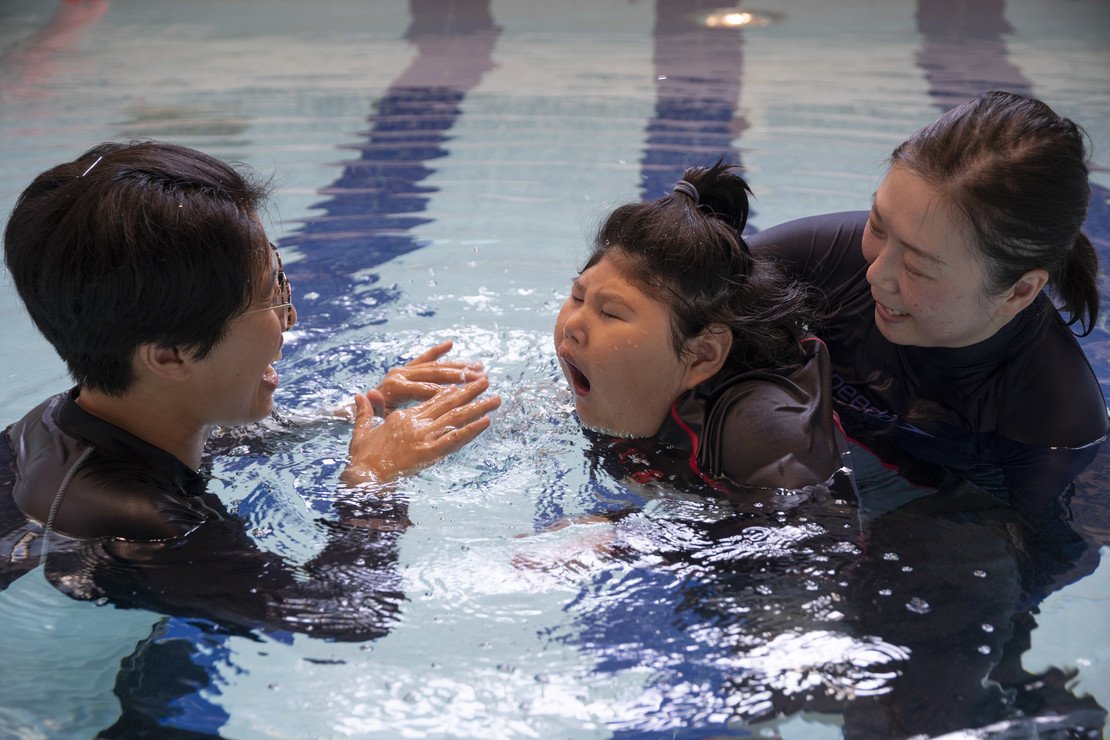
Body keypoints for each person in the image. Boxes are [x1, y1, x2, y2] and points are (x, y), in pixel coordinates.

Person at [0, 140, 500, 639]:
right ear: (171, 355)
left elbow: (218, 440)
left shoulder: (75, 420)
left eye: (280, 278)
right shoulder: (145, 529)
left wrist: (358, 412)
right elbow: (345, 617)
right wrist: (373, 483)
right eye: (270, 295)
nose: (290, 319)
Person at [747, 91, 1108, 521]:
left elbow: (1032, 558)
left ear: (1019, 292)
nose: (875, 274)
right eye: (878, 225)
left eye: (917, 267)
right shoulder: (817, 260)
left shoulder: (1053, 422)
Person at [552, 162, 846, 490]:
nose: (573, 326)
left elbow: (810, 536)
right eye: (578, 297)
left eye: (610, 313)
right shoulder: (619, 371)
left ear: (703, 355)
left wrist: (622, 539)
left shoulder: (767, 432)